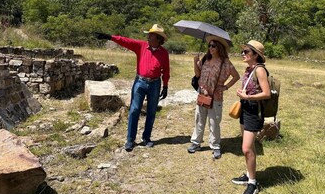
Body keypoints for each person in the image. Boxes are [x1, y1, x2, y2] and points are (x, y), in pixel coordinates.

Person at [94, 24, 170, 152]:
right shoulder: (141, 46)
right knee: (134, 110)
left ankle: (146, 138)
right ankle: (130, 139)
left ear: (158, 38)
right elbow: (125, 41)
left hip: (155, 84)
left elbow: (166, 71)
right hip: (140, 82)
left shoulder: (163, 53)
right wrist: (110, 37)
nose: (148, 36)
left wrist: (166, 86)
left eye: (151, 35)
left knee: (151, 112)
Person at [187, 35, 240, 159]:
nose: (210, 48)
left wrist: (226, 87)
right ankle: (196, 143)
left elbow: (236, 76)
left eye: (213, 46)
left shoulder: (225, 63)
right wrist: (195, 62)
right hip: (202, 93)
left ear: (219, 47)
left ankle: (215, 145)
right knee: (199, 119)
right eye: (209, 45)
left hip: (216, 96)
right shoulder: (205, 59)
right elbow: (197, 74)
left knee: (214, 122)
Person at [231, 40, 271, 194]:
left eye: (246, 52)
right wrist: (244, 94)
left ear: (256, 55)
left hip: (254, 112)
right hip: (246, 108)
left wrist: (248, 96)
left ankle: (253, 184)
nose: (243, 54)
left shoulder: (260, 70)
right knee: (250, 146)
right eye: (243, 51)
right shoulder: (249, 69)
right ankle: (249, 175)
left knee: (246, 149)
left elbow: (267, 93)